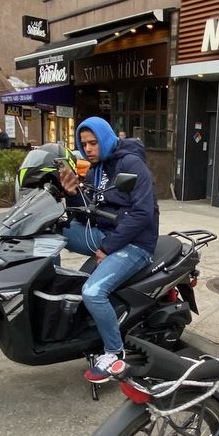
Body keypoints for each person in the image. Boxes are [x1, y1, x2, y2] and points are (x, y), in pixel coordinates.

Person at [56, 117, 158, 383]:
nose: (88, 148)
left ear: (106, 138)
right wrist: (72, 192)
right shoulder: (96, 168)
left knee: (92, 291)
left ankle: (114, 352)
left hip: (136, 243)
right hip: (106, 234)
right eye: (84, 143)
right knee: (52, 234)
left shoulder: (131, 164)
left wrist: (106, 248)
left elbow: (142, 213)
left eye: (93, 142)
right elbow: (91, 207)